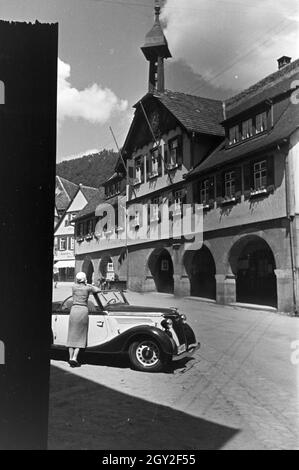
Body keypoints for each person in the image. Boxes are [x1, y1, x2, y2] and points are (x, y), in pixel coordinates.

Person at [66, 271, 100, 367]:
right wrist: (88, 283)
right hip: (83, 310)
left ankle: (70, 357)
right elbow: (98, 290)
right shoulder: (88, 288)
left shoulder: (74, 287)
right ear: (85, 279)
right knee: (80, 335)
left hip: (74, 310)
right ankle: (75, 358)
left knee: (71, 335)